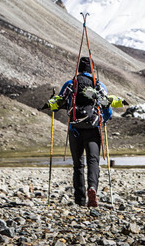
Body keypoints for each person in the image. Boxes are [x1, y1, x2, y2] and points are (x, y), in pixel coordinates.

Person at [45, 57, 126, 207]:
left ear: (79, 69)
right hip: (93, 130)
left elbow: (57, 103)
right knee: (93, 162)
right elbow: (106, 106)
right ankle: (92, 188)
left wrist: (52, 104)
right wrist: (104, 121)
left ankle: (80, 200)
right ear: (92, 70)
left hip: (74, 129)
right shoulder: (98, 85)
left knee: (78, 165)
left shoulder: (70, 84)